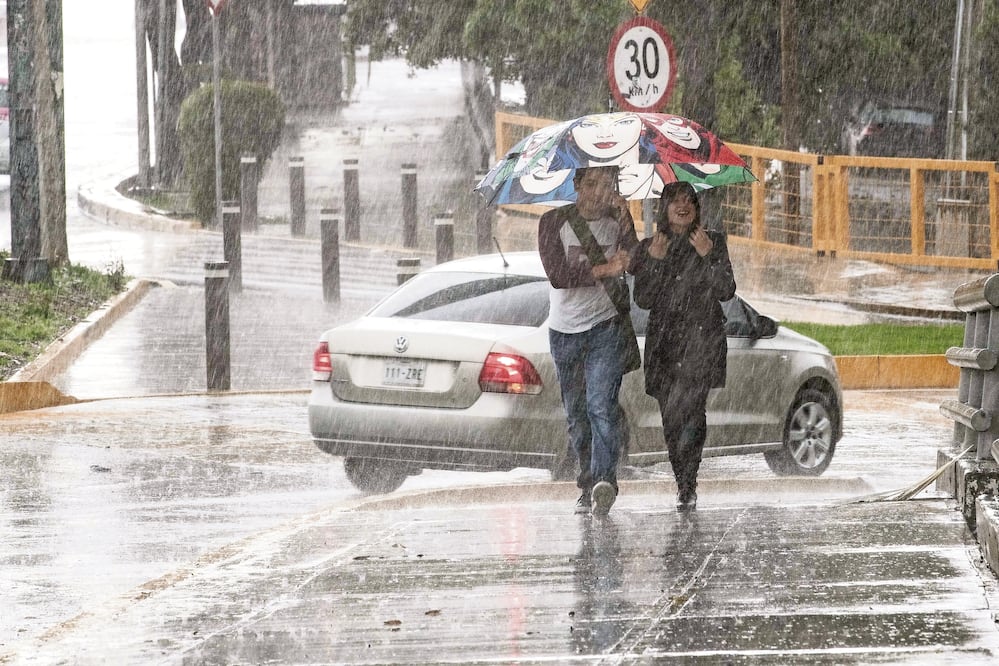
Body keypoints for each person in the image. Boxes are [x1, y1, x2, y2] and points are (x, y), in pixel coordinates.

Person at [629, 181, 736, 511]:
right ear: (664, 208)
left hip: (701, 342)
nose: (683, 205)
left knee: (692, 413)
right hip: (665, 344)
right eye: (675, 200)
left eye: (689, 200)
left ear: (697, 207)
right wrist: (655, 261)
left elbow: (726, 290)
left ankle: (688, 482)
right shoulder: (653, 244)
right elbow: (643, 299)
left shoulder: (713, 242)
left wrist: (707, 257)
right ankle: (683, 478)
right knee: (671, 416)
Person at [538, 166, 639, 517]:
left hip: (604, 329)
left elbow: (637, 262)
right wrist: (606, 269)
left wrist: (627, 224)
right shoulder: (552, 222)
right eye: (592, 183)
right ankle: (585, 482)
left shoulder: (617, 220)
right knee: (577, 415)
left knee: (601, 406)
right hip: (564, 331)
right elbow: (559, 276)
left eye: (607, 184)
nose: (599, 192)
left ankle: (604, 482)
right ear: (577, 184)